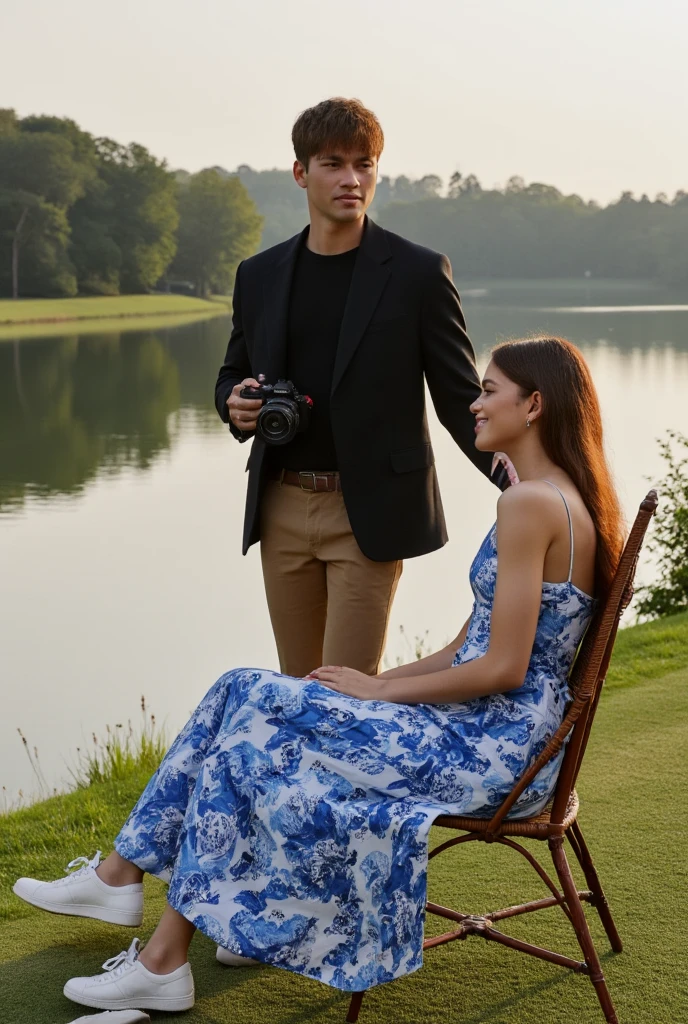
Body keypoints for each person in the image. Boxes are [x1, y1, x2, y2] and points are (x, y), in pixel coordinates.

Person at [14, 337, 624, 1013]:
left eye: (488, 390)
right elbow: (465, 646)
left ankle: (149, 927)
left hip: (494, 753)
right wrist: (379, 686)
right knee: (243, 692)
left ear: (534, 405)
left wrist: (383, 691)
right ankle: (132, 891)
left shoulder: (530, 505)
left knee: (250, 732)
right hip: (501, 737)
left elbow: (503, 668)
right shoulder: (557, 495)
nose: (473, 404)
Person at [215, 97, 505, 679]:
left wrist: (521, 478)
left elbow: (459, 398)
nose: (352, 179)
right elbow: (231, 372)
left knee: (345, 697)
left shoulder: (419, 273)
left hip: (368, 511)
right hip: (281, 508)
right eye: (333, 163)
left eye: (364, 164)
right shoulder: (259, 274)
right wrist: (235, 404)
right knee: (297, 694)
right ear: (301, 172)